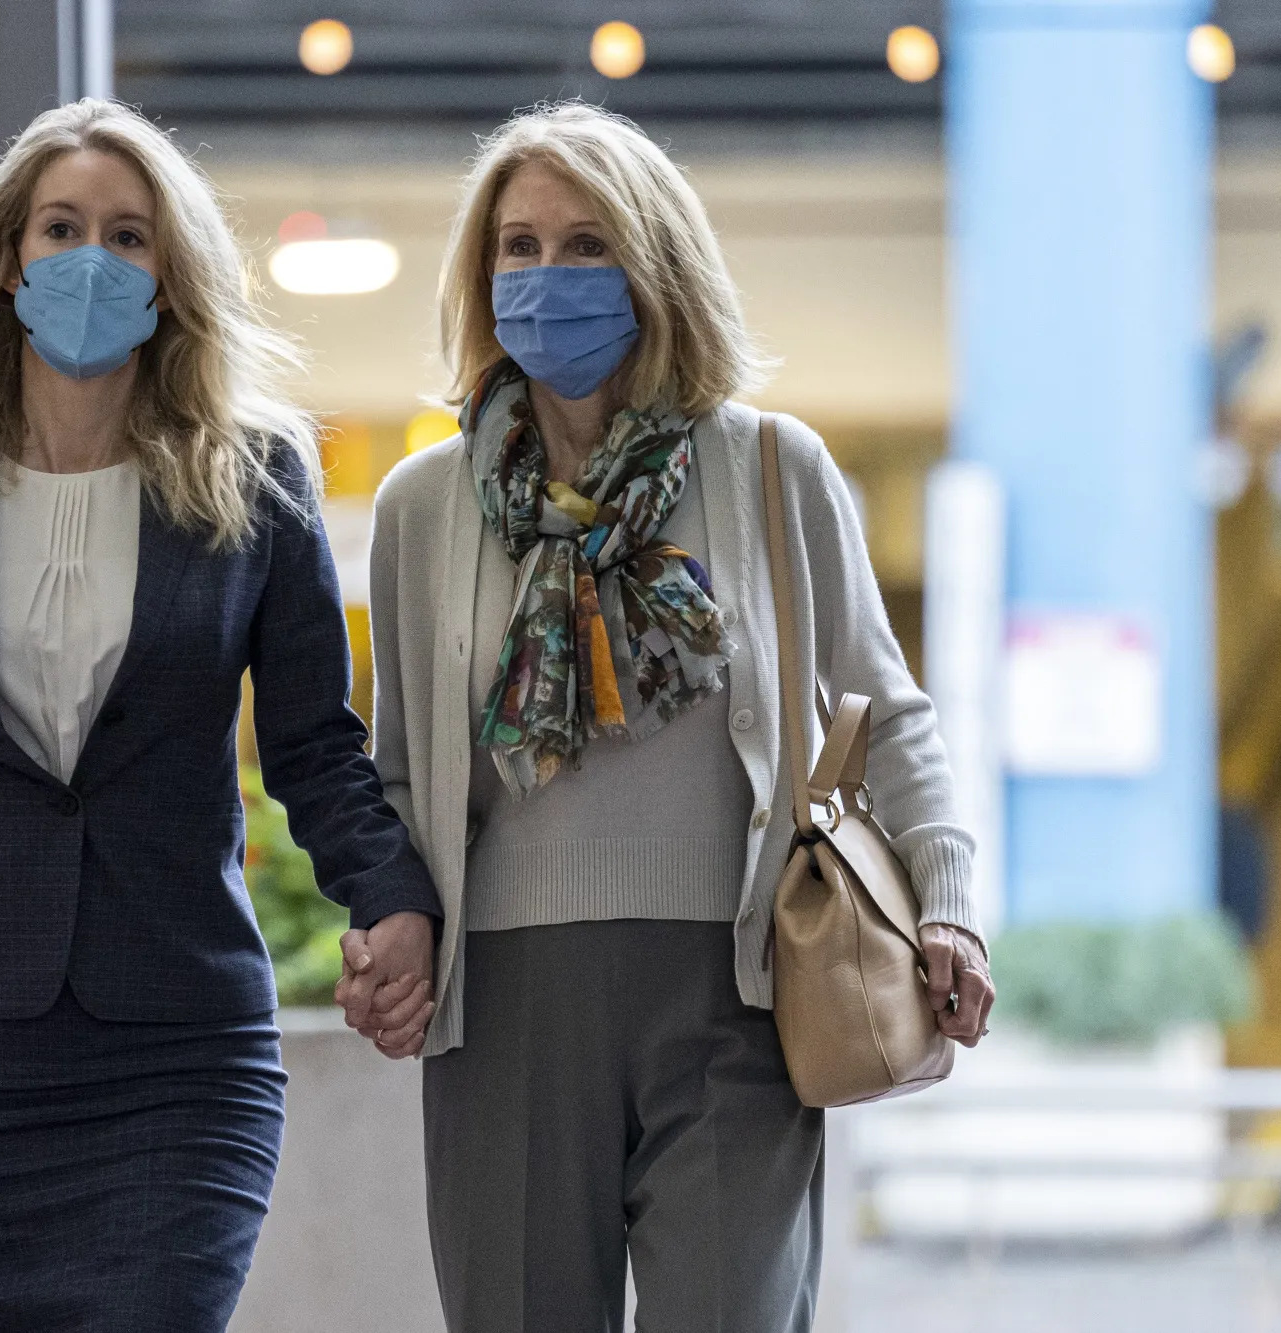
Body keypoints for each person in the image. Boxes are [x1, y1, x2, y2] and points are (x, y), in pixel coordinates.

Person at [0, 98, 441, 1333]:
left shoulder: (257, 477)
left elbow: (312, 744)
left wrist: (392, 897)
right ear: (4, 260)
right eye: (60, 226)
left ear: (171, 276)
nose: (90, 258)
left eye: (128, 237)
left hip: (177, 1054)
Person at [344, 103, 995, 1333]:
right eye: (517, 248)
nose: (546, 277)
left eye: (586, 246)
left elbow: (884, 706)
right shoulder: (423, 505)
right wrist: (386, 927)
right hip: (506, 1011)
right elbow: (395, 776)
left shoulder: (768, 469)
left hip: (735, 993)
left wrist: (946, 901)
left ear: (657, 267)